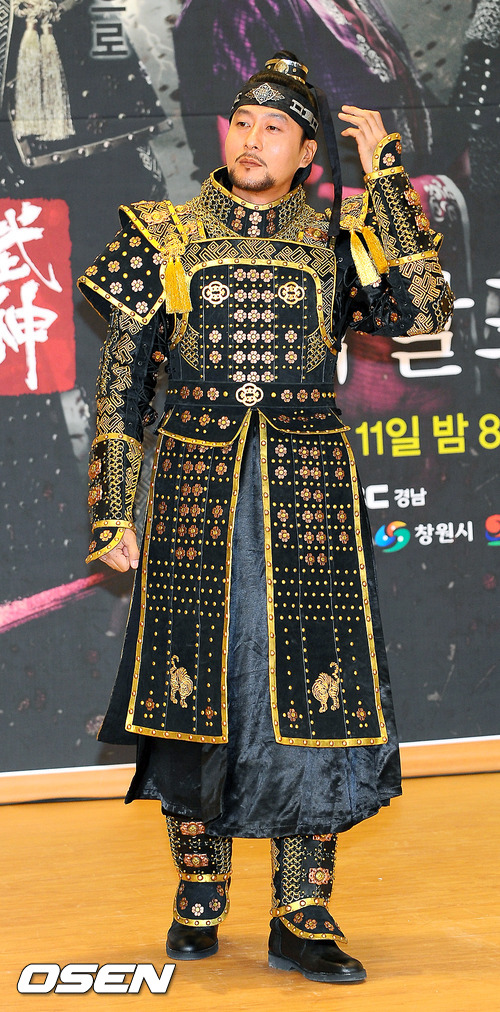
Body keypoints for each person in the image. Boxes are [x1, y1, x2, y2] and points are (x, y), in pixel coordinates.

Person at [78, 52, 453, 984]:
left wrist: (388, 177)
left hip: (308, 497)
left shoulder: (335, 241)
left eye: (275, 128)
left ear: (307, 152)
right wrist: (114, 510)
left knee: (315, 695)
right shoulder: (163, 233)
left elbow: (422, 308)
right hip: (195, 499)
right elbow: (121, 390)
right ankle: (199, 889)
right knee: (192, 691)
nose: (252, 140)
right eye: (243, 122)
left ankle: (302, 908)